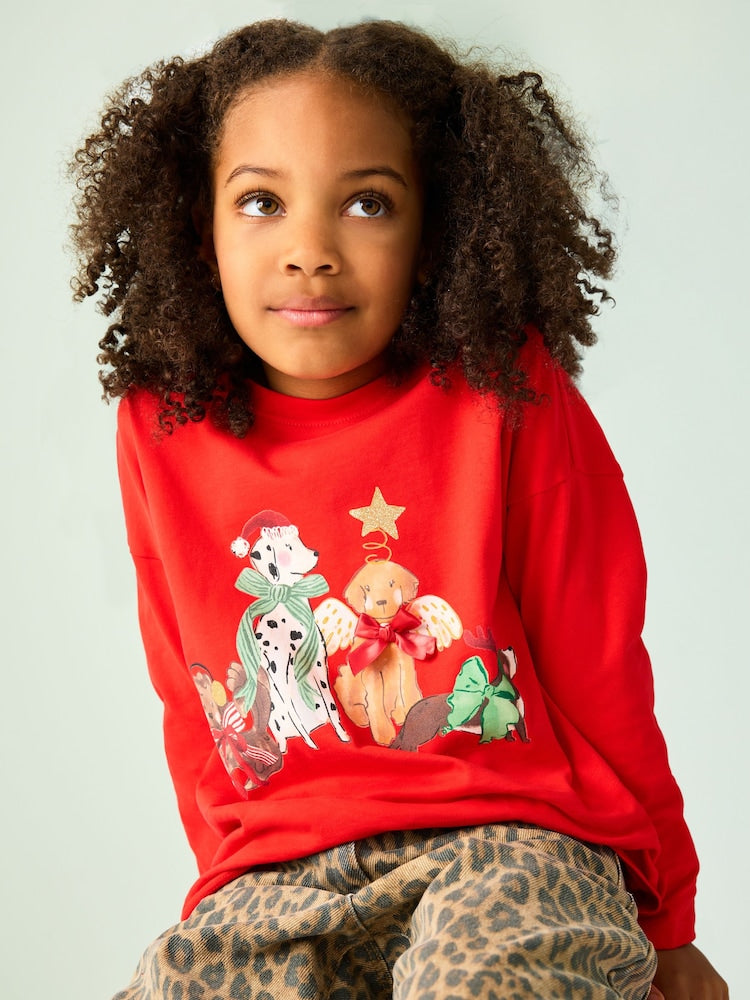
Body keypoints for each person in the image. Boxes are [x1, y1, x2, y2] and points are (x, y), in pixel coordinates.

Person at [70, 19, 728, 1000]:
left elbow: (602, 669)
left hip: (509, 838)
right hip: (279, 871)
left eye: (367, 203)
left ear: (431, 238)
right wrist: (223, 894)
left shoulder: (501, 388)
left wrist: (669, 920)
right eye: (261, 201)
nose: (310, 252)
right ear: (200, 231)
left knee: (488, 979)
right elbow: (192, 698)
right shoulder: (160, 424)